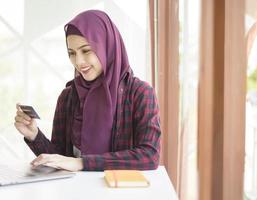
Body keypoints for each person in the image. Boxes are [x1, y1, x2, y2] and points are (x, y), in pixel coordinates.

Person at [14, 10, 161, 171]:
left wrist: (82, 163)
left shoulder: (140, 94)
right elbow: (59, 159)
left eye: (86, 50)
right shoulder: (68, 97)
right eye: (72, 53)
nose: (79, 61)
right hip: (75, 192)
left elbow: (149, 156)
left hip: (120, 192)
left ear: (107, 46)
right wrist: (33, 135)